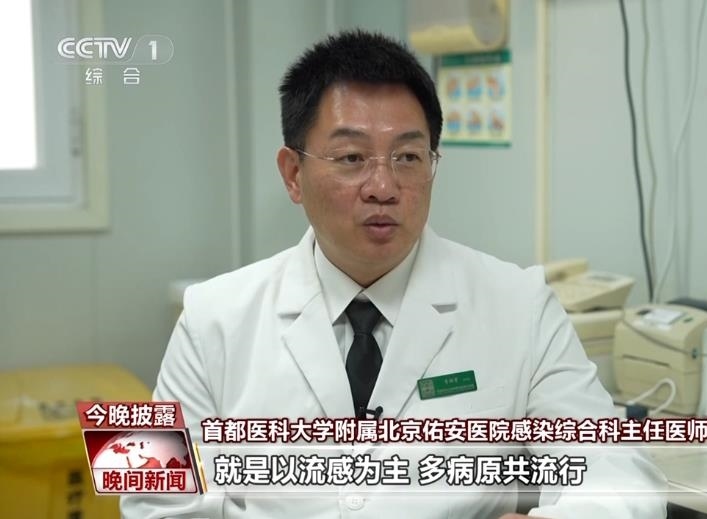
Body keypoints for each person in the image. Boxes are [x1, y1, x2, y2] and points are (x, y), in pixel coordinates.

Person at [121, 30, 666, 518]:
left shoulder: (519, 305)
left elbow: (622, 477)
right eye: (351, 158)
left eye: (407, 157)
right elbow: (148, 497)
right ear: (292, 174)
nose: (383, 187)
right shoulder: (210, 315)